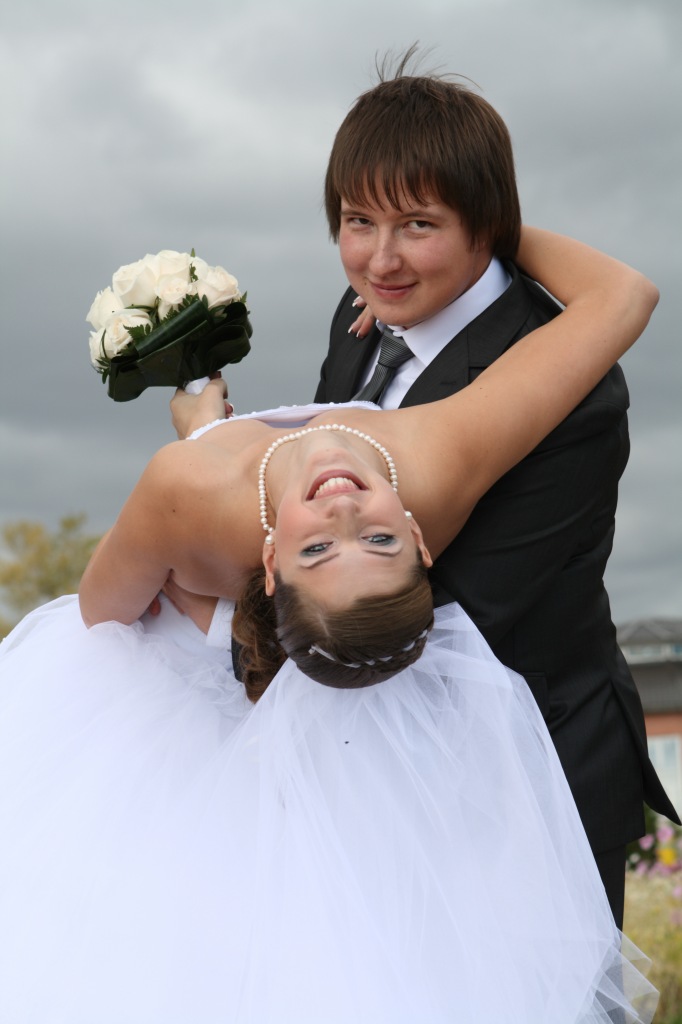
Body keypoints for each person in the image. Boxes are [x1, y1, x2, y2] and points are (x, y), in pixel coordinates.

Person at [0, 229, 660, 1022]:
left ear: (269, 559)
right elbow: (622, 299)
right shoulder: (442, 461)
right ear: (419, 538)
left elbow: (100, 612)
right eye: (379, 541)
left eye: (317, 549)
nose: (344, 512)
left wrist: (204, 467)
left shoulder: (186, 488)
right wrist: (473, 226)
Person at [309, 64, 680, 926]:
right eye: (358, 221)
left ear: (488, 224)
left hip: (529, 771)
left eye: (418, 224)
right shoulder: (362, 317)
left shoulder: (571, 383)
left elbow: (449, 609)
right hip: (385, 757)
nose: (380, 259)